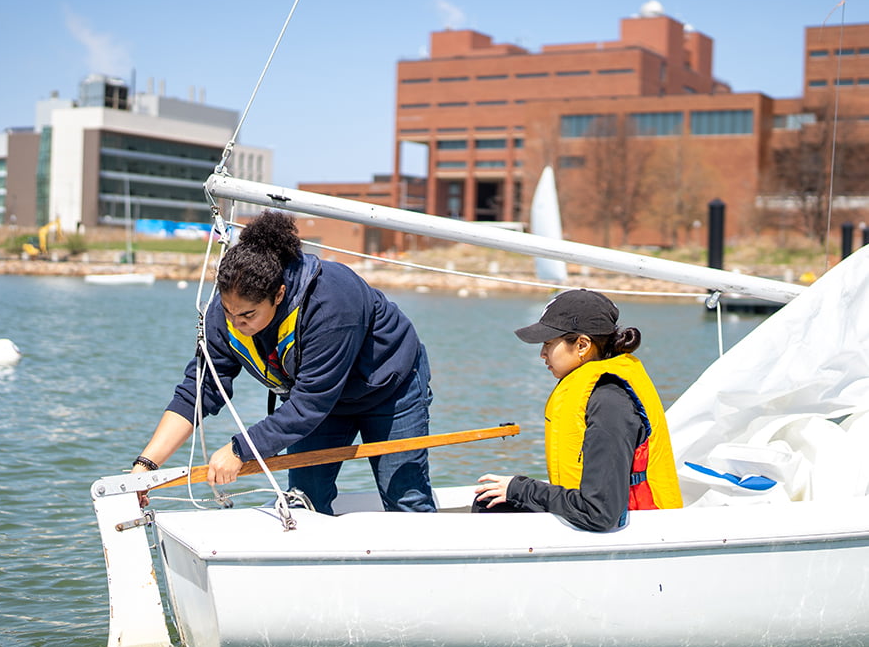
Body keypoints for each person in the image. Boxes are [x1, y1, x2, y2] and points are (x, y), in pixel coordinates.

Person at [133, 210, 436, 514]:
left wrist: (241, 450)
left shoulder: (330, 305)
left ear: (278, 295)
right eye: (229, 312)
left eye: (248, 315)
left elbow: (309, 406)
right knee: (306, 501)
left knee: (405, 499)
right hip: (317, 403)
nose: (236, 324)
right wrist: (146, 465)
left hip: (390, 389)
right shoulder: (226, 312)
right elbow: (198, 390)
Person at [474, 289, 682, 530]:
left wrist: (520, 488)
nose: (542, 354)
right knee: (489, 502)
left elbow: (599, 512)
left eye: (549, 344)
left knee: (492, 506)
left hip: (634, 528)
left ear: (582, 345)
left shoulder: (610, 403)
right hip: (595, 516)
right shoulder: (596, 391)